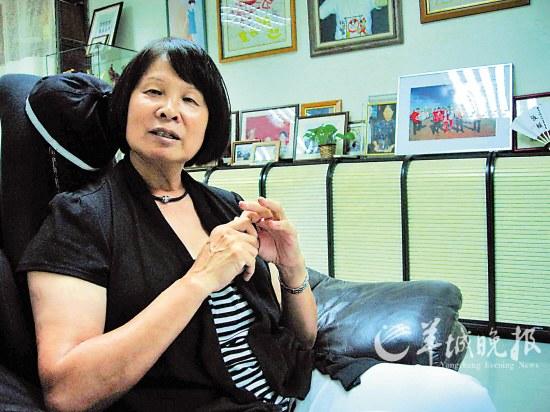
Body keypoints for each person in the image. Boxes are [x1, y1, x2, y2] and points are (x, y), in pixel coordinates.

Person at [18, 38, 496, 412]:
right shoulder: (81, 217)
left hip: (297, 386)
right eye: (154, 92)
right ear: (124, 105)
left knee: (462, 397)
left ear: (208, 125)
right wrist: (199, 279)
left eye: (190, 99)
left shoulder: (226, 207)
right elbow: (67, 391)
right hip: (207, 405)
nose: (169, 110)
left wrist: (292, 268)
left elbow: (302, 338)